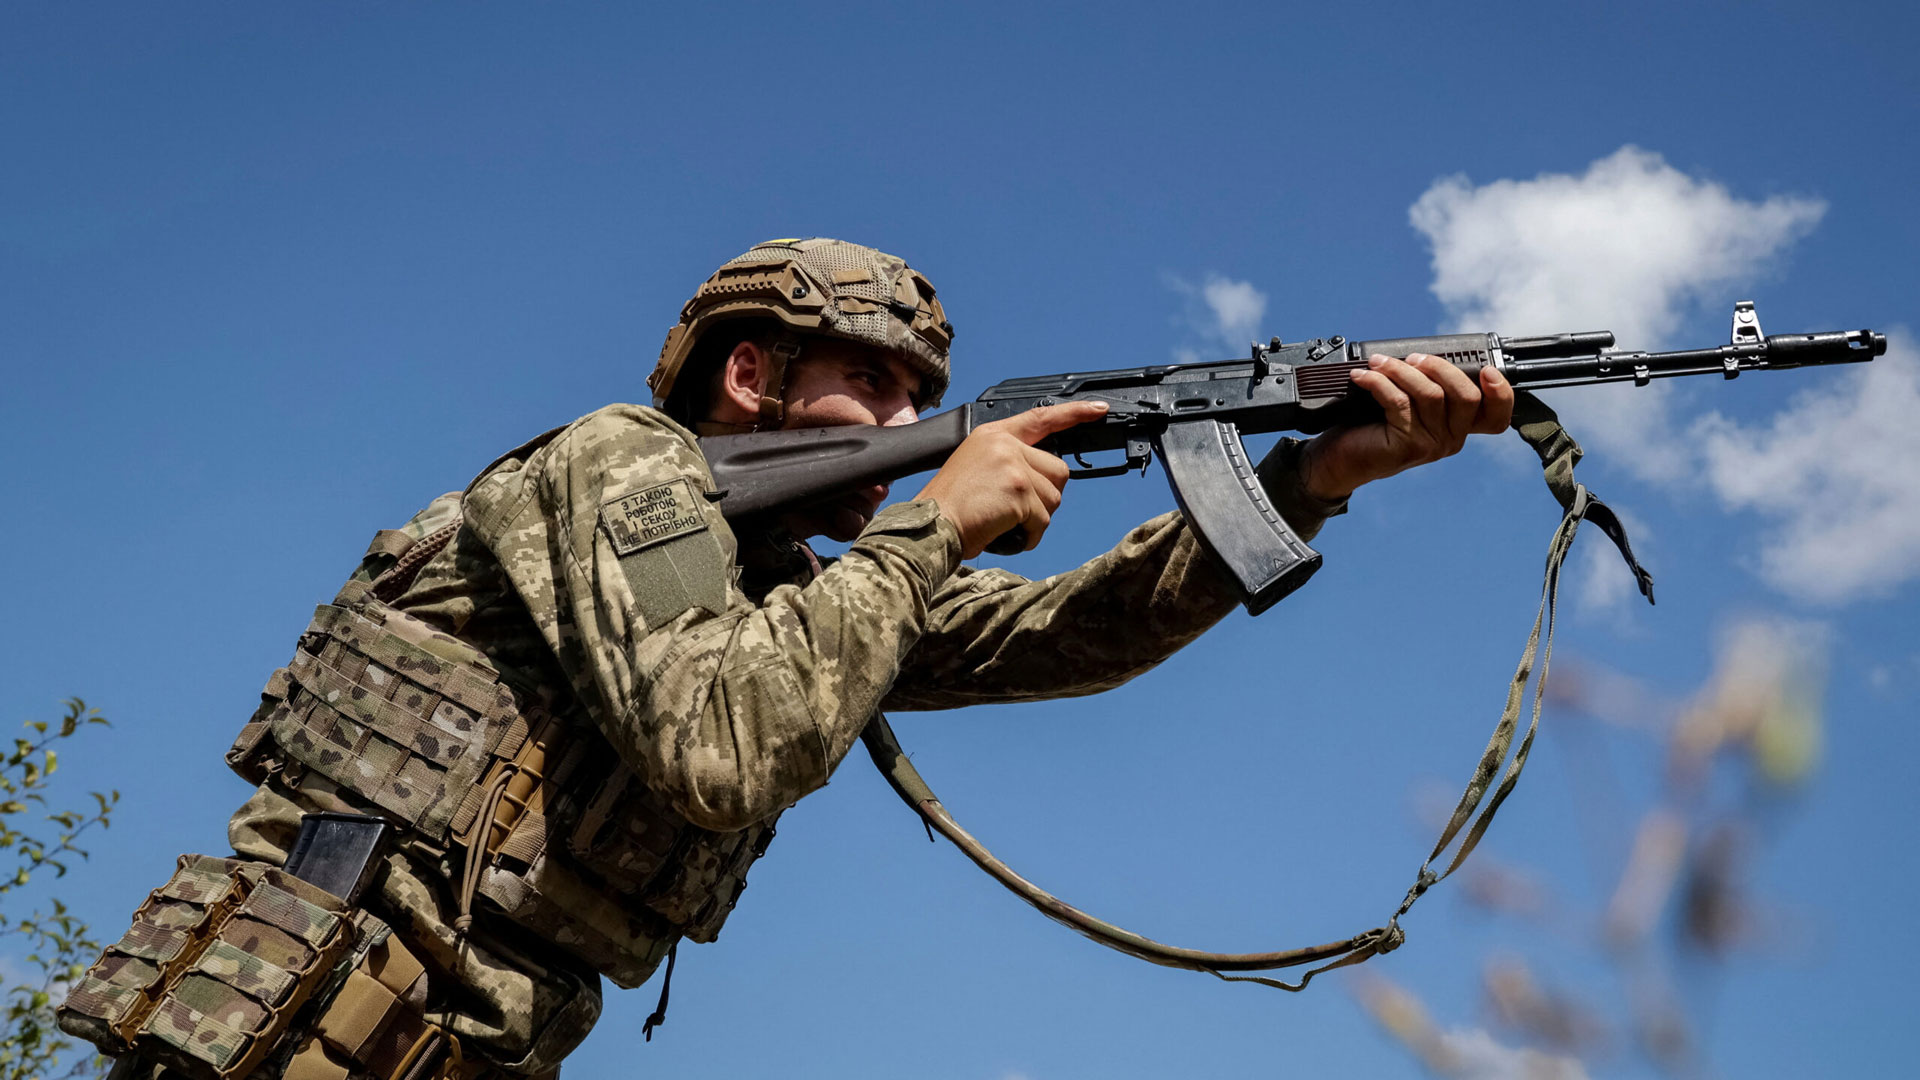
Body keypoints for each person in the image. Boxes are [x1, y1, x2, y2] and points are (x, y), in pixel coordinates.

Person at [98, 238, 1515, 1079]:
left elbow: (1067, 635)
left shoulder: (788, 586)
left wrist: (1313, 477)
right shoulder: (624, 468)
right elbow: (722, 746)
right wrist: (929, 534)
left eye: (924, 396)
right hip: (294, 1025)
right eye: (878, 383)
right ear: (749, 374)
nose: (911, 414)